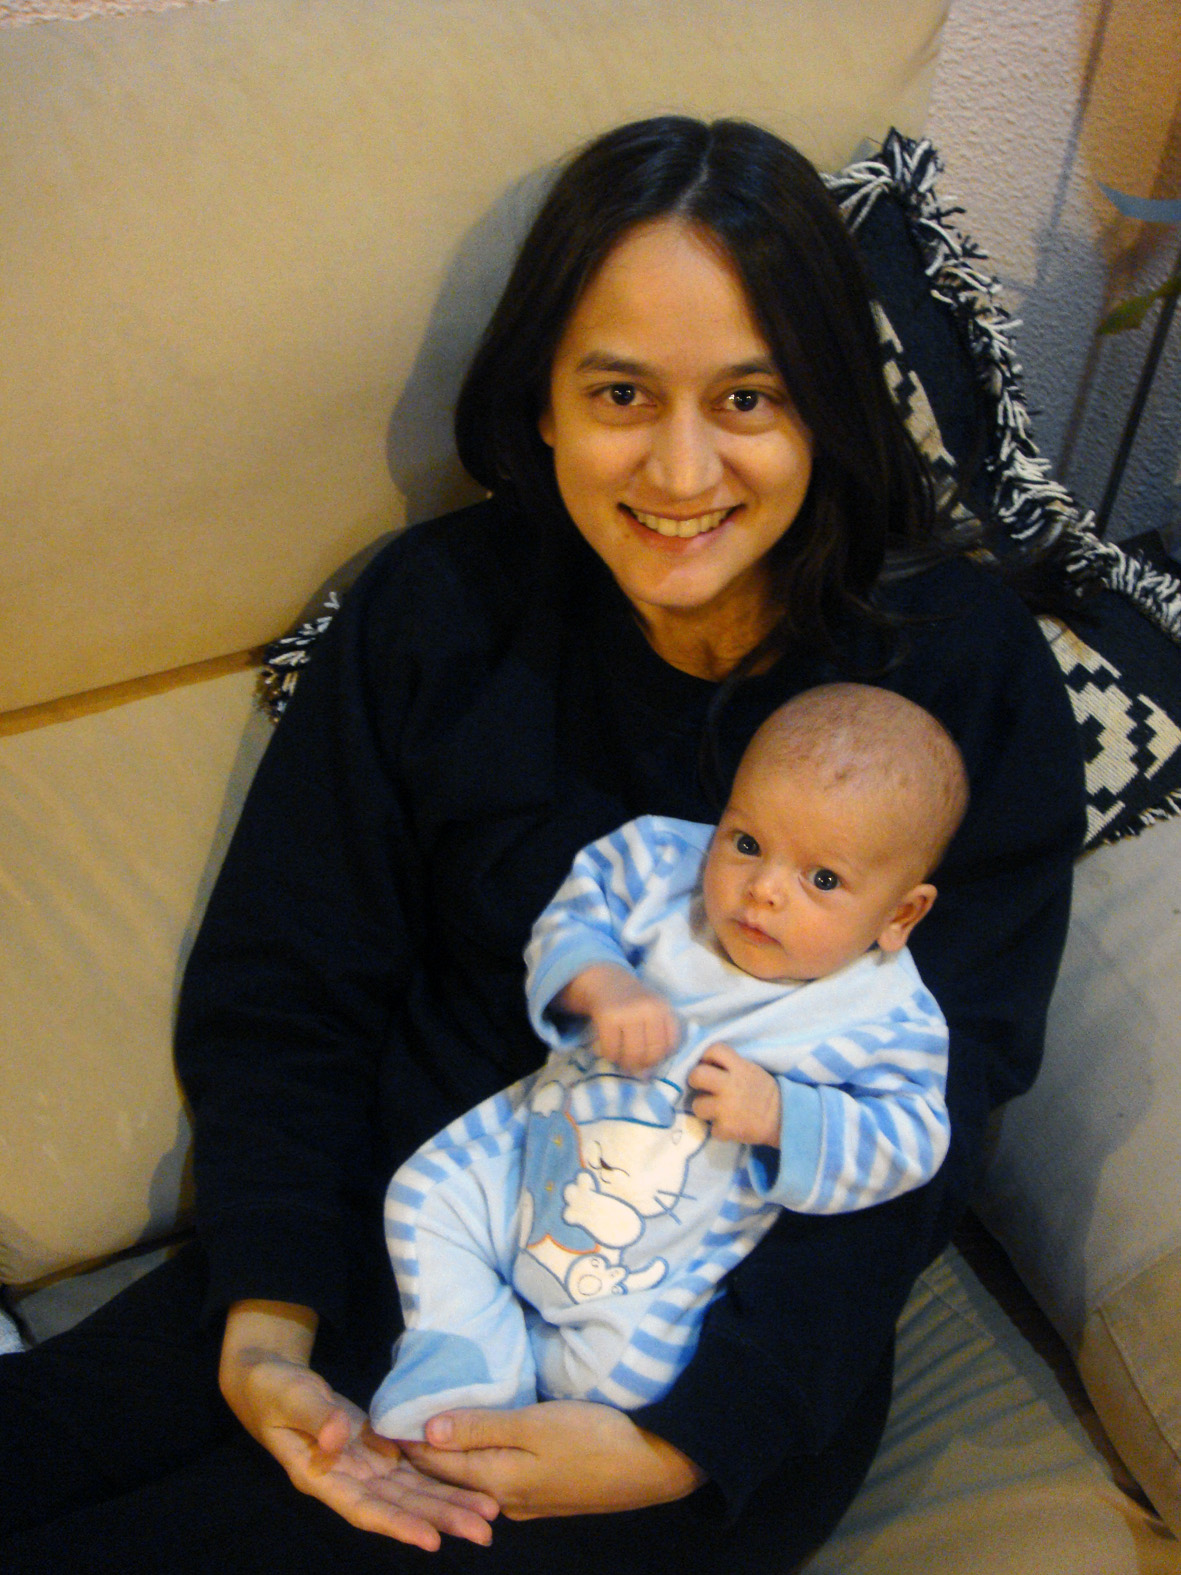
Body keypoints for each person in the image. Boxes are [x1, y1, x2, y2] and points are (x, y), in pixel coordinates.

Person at [0, 116, 1085, 1575]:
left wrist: (683, 1440)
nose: (681, 468)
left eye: (748, 397)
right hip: (408, 1227)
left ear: (826, 406)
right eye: (622, 393)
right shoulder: (433, 613)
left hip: (688, 1341)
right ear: (545, 402)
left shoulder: (954, 680)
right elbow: (292, 984)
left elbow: (931, 1115)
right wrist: (266, 1322)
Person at [370, 683, 966, 1439]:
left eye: (822, 879)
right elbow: (572, 918)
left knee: (620, 1381)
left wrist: (784, 1116)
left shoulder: (886, 1016)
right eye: (745, 842)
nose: (762, 890)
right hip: (532, 1155)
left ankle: (517, 1396)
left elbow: (914, 1139)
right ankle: (466, 1355)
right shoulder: (658, 864)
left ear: (900, 913)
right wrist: (604, 982)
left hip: (650, 1262)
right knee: (424, 1196)